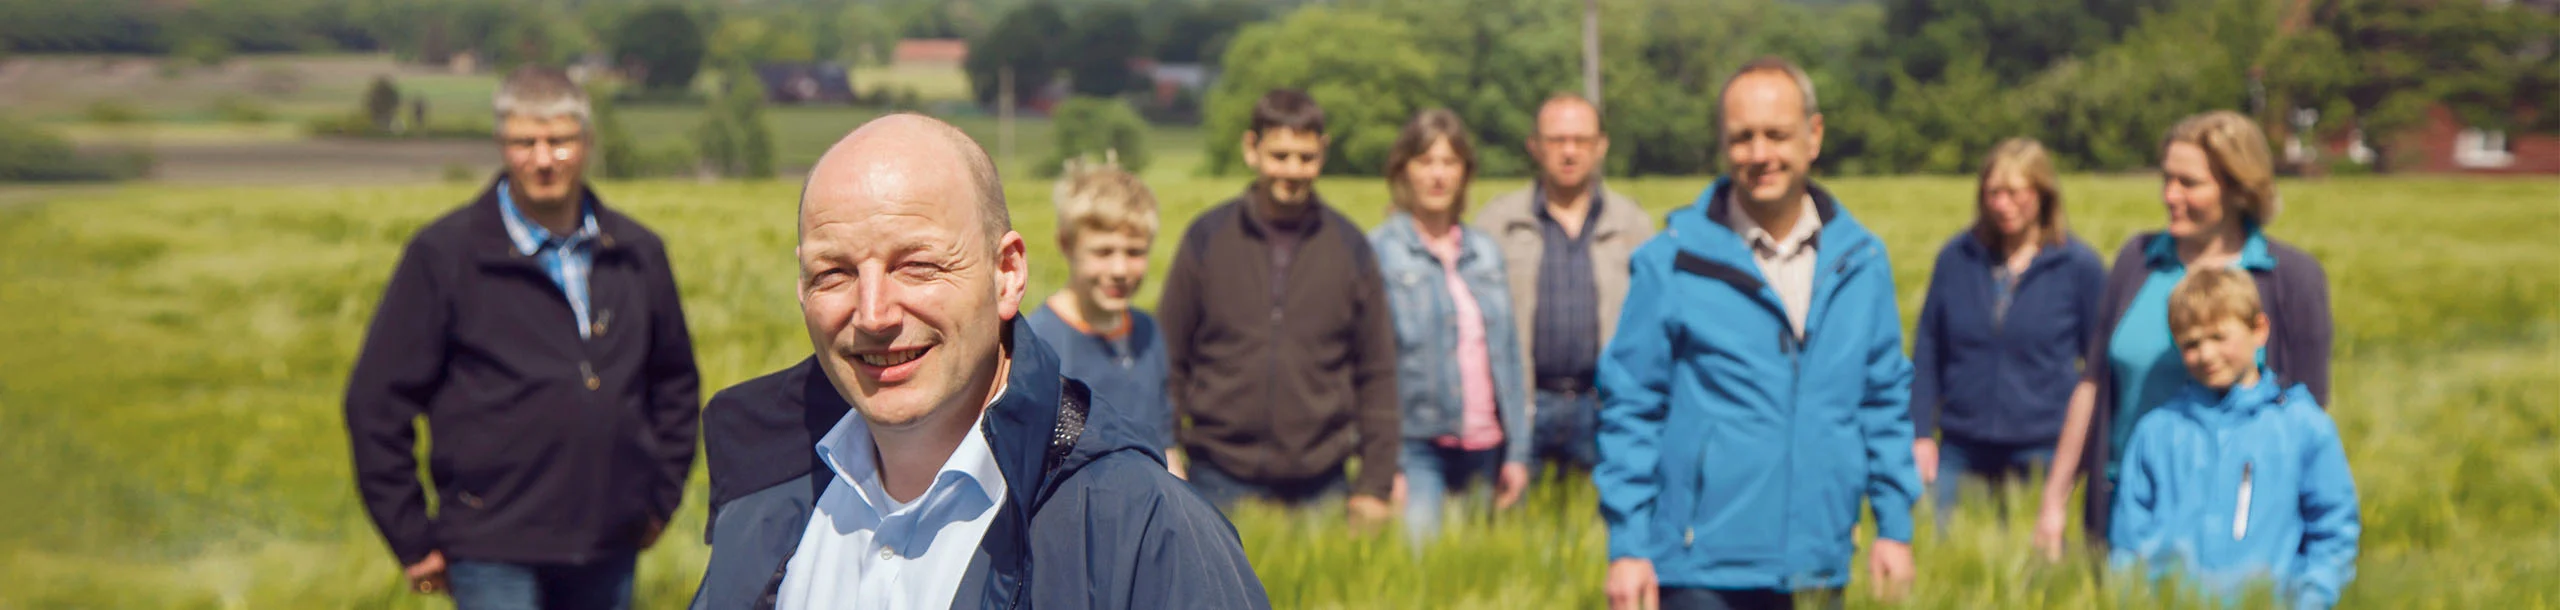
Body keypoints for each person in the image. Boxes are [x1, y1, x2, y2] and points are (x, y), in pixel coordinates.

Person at [689, 114, 1269, 609]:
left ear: (1008, 274)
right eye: (834, 272)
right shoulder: (758, 498)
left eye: (917, 265)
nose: (873, 313)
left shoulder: (1144, 532)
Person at [344, 65, 700, 609]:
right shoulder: (445, 256)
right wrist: (411, 537)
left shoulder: (636, 251)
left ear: (586, 142)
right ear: (501, 145)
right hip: (491, 547)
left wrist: (657, 498)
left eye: (558, 140)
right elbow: (375, 402)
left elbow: (674, 382)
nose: (542, 159)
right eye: (524, 142)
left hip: (608, 539)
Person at [1597, 57, 1918, 610]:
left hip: (1819, 558)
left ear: (1813, 136)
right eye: (1742, 138)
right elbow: (1631, 406)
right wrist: (1627, 545)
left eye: (1777, 134)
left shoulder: (1862, 262)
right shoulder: (1672, 262)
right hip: (1700, 568)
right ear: (1723, 146)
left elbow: (1883, 399)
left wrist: (1893, 525)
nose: (1760, 154)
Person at [2035, 111, 2335, 560]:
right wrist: (2054, 500)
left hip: (2236, 531)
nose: (2169, 195)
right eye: (2166, 179)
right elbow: (2094, 384)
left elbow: (2307, 417)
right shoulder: (2137, 261)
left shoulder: (2290, 278)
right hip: (2124, 511)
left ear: (2237, 188)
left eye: (2188, 182)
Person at [1159, 89, 1399, 525]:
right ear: (1252, 149)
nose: (1293, 170)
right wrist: (1168, 452)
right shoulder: (1207, 238)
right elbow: (1169, 358)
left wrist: (1375, 485)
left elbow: (1377, 371)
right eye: (1280, 155)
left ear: (1322, 154)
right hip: (1217, 476)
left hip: (1321, 483)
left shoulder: (1350, 247)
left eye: (1306, 157)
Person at [2109, 266, 2360, 609]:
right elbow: (2128, 544)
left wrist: (2311, 600)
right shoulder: (2156, 432)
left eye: (2218, 337)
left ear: (2259, 329)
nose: (2207, 355)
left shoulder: (2302, 426)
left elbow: (2332, 533)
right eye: (2191, 344)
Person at [1909, 138, 2105, 527]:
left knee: (2038, 568)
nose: (2002, 204)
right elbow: (1929, 346)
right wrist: (1920, 432)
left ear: (2043, 194)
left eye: (2015, 193)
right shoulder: (1957, 258)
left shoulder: (2077, 267)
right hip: (1962, 444)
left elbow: (2098, 363)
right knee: (1943, 553)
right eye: (1993, 193)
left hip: (2043, 444)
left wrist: (2084, 448)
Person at [1366, 109, 1534, 542]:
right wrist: (1383, 466)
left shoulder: (1485, 252)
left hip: (1486, 447)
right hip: (1417, 446)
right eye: (1425, 162)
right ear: (1403, 170)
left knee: (1480, 570)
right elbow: (1370, 364)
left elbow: (1509, 358)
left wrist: (1516, 452)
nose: (1438, 175)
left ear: (1465, 173)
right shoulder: (1380, 253)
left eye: (1449, 162)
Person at [1474, 94, 1655, 478]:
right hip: (1523, 404)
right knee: (1513, 529)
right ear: (1534, 147)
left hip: (1604, 405)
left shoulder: (1634, 226)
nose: (1569, 152)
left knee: (1601, 528)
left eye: (1581, 141)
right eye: (1557, 141)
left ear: (1601, 146)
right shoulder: (1497, 224)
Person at [1024, 156, 1180, 474]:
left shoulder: (1147, 332)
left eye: (1135, 252)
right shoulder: (1038, 343)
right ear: (1067, 245)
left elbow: (1165, 443)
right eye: (1103, 252)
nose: (1120, 270)